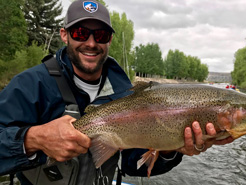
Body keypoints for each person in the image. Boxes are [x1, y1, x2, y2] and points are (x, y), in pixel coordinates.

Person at [0, 0, 233, 184]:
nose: (91, 43)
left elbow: (134, 164)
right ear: (64, 34)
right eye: (81, 33)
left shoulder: (126, 92)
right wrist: (33, 139)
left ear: (109, 39)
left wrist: (172, 150)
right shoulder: (31, 84)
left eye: (100, 35)